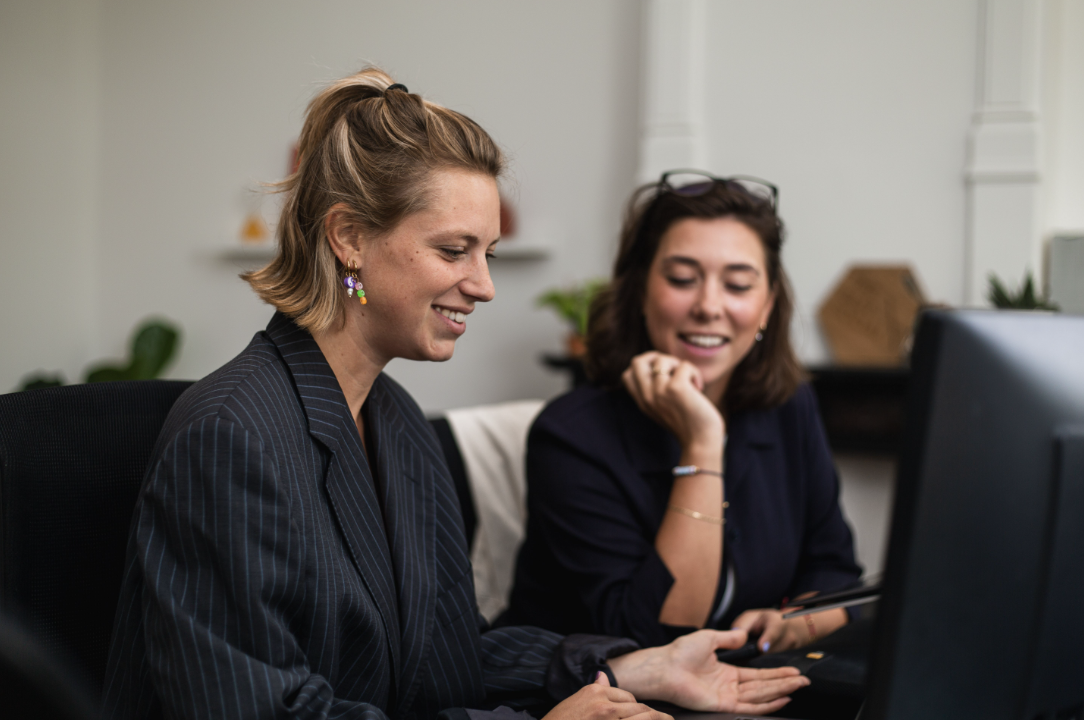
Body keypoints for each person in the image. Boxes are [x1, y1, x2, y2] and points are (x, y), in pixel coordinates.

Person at [100, 74, 809, 720]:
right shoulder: (232, 435)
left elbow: (449, 658)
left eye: (487, 254)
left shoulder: (397, 420)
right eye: (453, 250)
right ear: (349, 237)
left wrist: (632, 667)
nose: (484, 285)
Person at [502, 172, 863, 652]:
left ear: (767, 306)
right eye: (682, 279)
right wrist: (702, 445)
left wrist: (795, 625)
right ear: (640, 291)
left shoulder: (789, 406)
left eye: (738, 284)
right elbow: (653, 635)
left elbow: (837, 572)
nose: (709, 306)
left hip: (743, 678)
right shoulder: (571, 434)